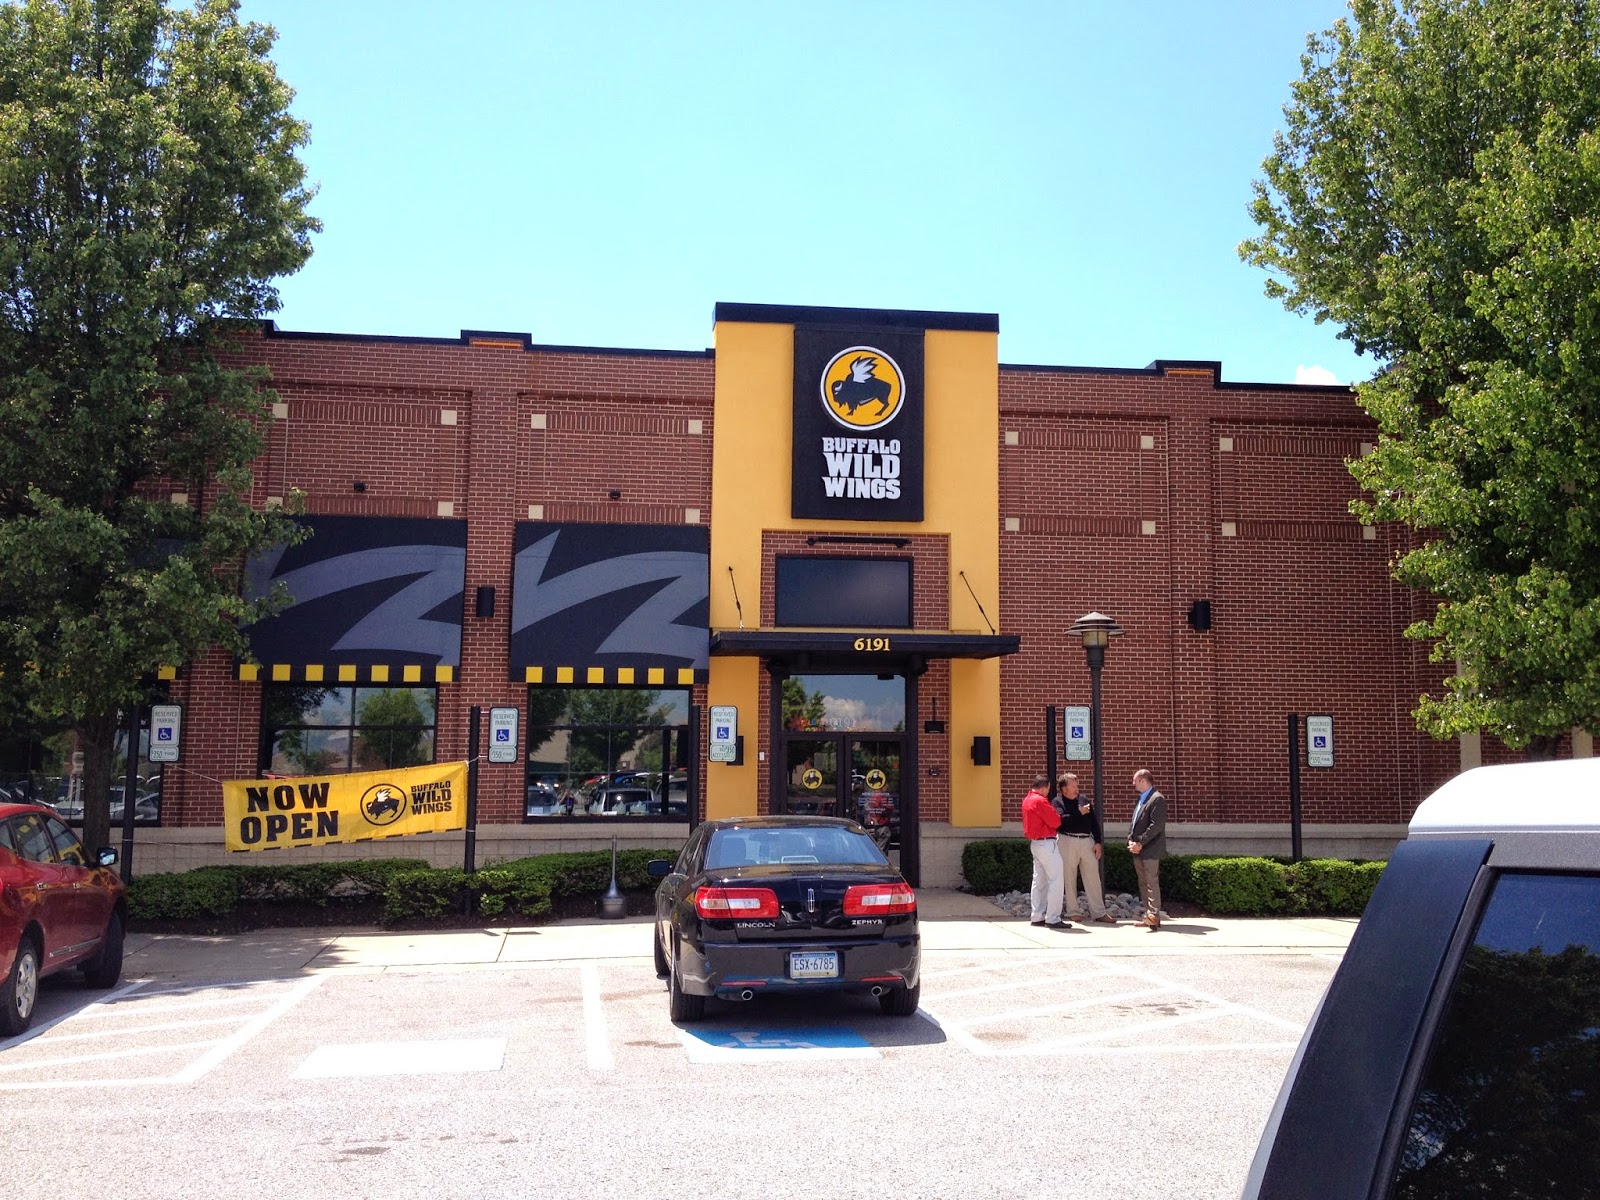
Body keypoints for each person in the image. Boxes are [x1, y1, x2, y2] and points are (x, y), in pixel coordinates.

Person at [1056, 772, 1115, 924]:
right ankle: (1073, 911)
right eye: (1073, 786)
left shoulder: (1083, 799)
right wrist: (1078, 812)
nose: (1077, 789)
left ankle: (1099, 912)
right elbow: (1060, 822)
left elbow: (1093, 822)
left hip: (1086, 841)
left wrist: (1098, 842)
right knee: (1069, 877)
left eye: (1077, 786)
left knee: (1093, 877)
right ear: (1064, 789)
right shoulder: (1057, 802)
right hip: (1067, 840)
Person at [1021, 773, 1068, 928]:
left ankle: (1037, 915)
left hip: (1035, 843)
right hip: (1047, 843)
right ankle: (1053, 917)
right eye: (1048, 789)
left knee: (1038, 881)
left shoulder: (1027, 800)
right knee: (1055, 880)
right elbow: (1055, 821)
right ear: (1045, 787)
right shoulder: (1040, 801)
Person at [1127, 768, 1168, 931]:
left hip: (1150, 849)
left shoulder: (1157, 799)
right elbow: (1136, 822)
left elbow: (1156, 826)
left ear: (1143, 780)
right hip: (1138, 848)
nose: (1133, 784)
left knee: (1151, 883)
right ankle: (1149, 917)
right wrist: (1130, 840)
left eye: (1135, 781)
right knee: (1143, 883)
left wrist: (1141, 843)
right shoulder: (1142, 799)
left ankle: (1154, 915)